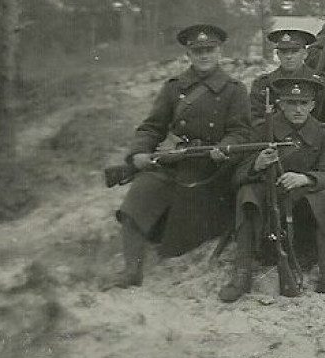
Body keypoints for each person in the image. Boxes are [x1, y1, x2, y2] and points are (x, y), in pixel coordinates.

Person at [107, 24, 252, 287]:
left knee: (188, 233)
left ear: (220, 51)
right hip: (174, 163)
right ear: (188, 54)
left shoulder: (234, 89)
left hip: (211, 170)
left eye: (210, 49)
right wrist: (139, 152)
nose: (204, 55)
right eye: (198, 51)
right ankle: (131, 270)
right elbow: (152, 126)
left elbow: (241, 131)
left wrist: (225, 148)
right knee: (137, 200)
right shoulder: (174, 88)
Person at [220, 76, 325, 305]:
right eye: (291, 103)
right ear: (280, 104)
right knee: (247, 194)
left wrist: (306, 179)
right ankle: (242, 274)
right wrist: (256, 165)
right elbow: (237, 177)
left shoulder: (322, 134)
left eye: (304, 103)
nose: (298, 109)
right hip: (269, 201)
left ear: (312, 105)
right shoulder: (264, 130)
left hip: (303, 206)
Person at [250, 28, 325, 126]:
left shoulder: (322, 81)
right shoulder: (264, 84)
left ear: (305, 54)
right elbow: (256, 120)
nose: (289, 56)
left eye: (294, 51)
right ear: (278, 54)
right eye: (284, 52)